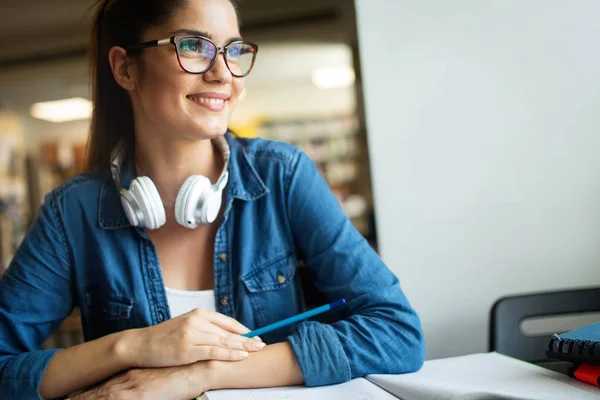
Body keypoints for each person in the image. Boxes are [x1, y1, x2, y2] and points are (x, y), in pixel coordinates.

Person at [0, 0, 425, 398]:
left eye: (233, 50)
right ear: (126, 68)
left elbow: (397, 333)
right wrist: (133, 348)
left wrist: (200, 373)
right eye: (194, 45)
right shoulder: (71, 212)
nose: (225, 73)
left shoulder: (282, 175)